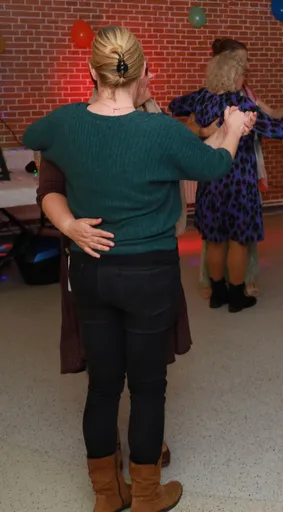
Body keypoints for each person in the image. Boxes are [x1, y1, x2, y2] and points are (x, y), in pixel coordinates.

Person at [23, 25, 253, 511]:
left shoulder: (65, 123)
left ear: (92, 72)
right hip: (149, 273)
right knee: (148, 388)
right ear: (144, 72)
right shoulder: (160, 130)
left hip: (91, 268)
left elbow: (30, 136)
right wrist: (232, 130)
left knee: (103, 386)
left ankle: (107, 496)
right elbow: (213, 166)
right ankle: (146, 495)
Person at [37, 76, 183, 470]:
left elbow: (177, 150)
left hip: (139, 260)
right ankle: (135, 462)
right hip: (97, 257)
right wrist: (69, 226)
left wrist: (148, 101)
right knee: (115, 376)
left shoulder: (147, 125)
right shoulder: (71, 127)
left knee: (139, 370)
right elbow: (49, 188)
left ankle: (134, 457)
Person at [168, 52, 283, 313]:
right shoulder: (241, 106)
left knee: (216, 239)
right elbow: (280, 130)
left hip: (210, 179)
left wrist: (199, 124)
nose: (245, 78)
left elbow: (175, 105)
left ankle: (217, 293)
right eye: (243, 73)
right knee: (238, 241)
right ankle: (236, 296)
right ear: (235, 75)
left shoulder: (201, 98)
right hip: (239, 183)